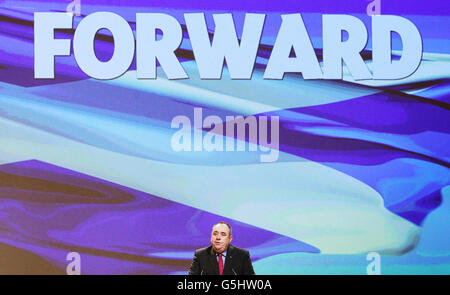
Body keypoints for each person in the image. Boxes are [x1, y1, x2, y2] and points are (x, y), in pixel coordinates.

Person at [188, 222, 255, 275]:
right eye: (215, 234)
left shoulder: (242, 255)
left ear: (230, 238)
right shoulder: (200, 255)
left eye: (223, 234)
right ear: (211, 236)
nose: (218, 238)